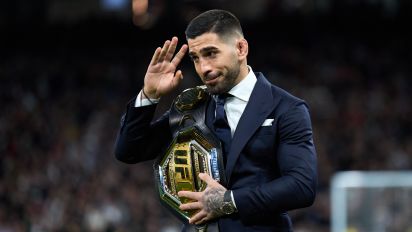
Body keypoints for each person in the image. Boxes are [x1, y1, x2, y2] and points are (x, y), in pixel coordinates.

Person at [115, 9, 317, 231]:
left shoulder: (286, 108)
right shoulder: (190, 106)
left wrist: (229, 201)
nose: (204, 68)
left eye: (211, 53)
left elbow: (301, 185)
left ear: (241, 48)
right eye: (195, 58)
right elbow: (129, 150)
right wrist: (149, 95)